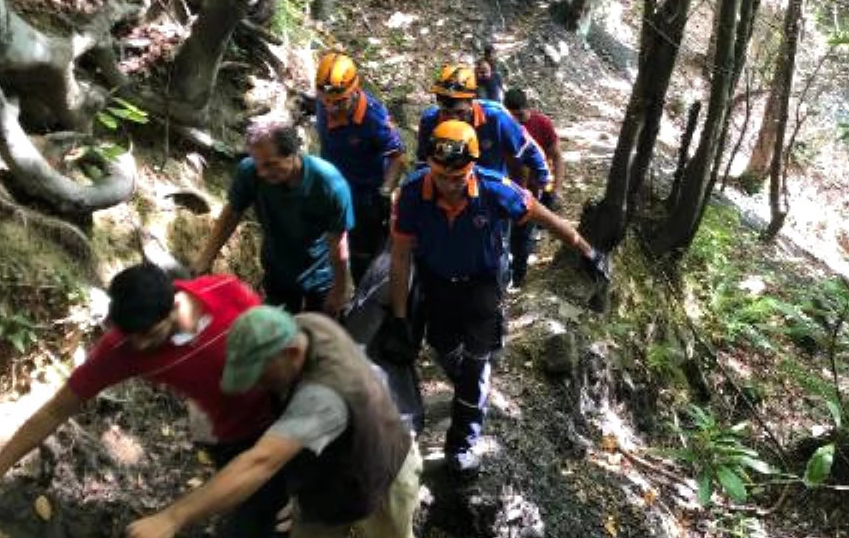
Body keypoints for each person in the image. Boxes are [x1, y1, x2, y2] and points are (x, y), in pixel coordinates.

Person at [0, 264, 288, 538]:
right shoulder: (122, 347)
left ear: (174, 306)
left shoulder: (227, 294)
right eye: (132, 337)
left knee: (263, 520)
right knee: (252, 531)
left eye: (149, 336)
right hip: (225, 438)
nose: (140, 347)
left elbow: (277, 342)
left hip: (280, 420)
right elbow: (55, 411)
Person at [120, 306, 422, 538]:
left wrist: (172, 518)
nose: (256, 384)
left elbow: (259, 462)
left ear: (291, 354)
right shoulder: (305, 326)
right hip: (324, 480)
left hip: (383, 469)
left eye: (260, 374)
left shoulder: (323, 396)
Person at [388, 121, 608, 478]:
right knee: (444, 349)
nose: (450, 185)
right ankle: (472, 391)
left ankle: (462, 443)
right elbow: (399, 255)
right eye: (443, 176)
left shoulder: (494, 188)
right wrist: (398, 317)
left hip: (482, 284)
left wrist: (588, 252)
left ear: (471, 167)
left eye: (458, 177)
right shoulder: (413, 194)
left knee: (476, 364)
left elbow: (546, 218)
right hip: (437, 284)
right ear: (430, 165)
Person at [194, 115, 354, 315]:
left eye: (270, 164)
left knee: (317, 336)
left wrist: (340, 289)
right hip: (277, 272)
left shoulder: (329, 184)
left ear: (292, 153)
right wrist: (205, 259)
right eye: (258, 163)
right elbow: (231, 215)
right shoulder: (249, 172)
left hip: (320, 278)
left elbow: (338, 243)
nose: (261, 172)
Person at [416, 63, 552, 287]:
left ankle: (497, 295)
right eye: (446, 112)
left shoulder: (495, 118)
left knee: (494, 253)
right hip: (447, 194)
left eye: (459, 112)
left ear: (472, 101)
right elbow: (423, 161)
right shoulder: (431, 120)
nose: (453, 119)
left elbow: (528, 148)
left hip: (492, 196)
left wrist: (545, 181)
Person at [313, 51, 406, 283]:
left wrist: (385, 191)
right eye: (327, 101)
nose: (332, 108)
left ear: (355, 90)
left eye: (339, 102)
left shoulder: (373, 118)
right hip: (331, 187)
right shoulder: (324, 101)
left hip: (364, 196)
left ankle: (363, 301)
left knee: (362, 255)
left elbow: (398, 156)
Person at [503, 88, 565, 288]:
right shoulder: (503, 125)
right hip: (507, 188)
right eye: (513, 117)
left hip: (534, 190)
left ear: (527, 108)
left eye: (520, 116)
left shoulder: (542, 124)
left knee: (522, 235)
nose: (518, 122)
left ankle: (518, 278)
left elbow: (557, 156)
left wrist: (556, 189)